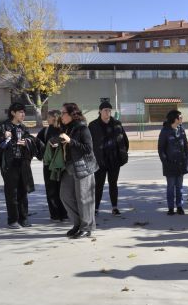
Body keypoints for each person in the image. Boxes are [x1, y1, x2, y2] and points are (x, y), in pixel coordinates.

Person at [0, 103, 38, 229]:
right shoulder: (2, 126)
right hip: (9, 164)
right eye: (20, 112)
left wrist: (27, 142)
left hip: (23, 163)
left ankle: (24, 219)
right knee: (12, 193)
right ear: (13, 113)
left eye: (24, 112)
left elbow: (32, 142)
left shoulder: (24, 128)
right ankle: (13, 220)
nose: (23, 114)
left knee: (23, 192)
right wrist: (3, 136)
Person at [59, 102, 98, 239]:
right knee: (65, 195)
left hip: (83, 168)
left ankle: (86, 227)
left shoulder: (82, 128)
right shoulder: (67, 128)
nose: (61, 115)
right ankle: (78, 223)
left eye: (63, 112)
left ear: (72, 114)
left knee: (84, 198)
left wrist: (71, 141)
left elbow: (88, 149)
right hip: (69, 167)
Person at [89, 101, 129, 216]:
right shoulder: (93, 125)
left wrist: (123, 153)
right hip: (99, 161)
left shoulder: (117, 124)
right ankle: (95, 208)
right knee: (98, 185)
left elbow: (124, 141)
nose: (108, 112)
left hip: (114, 160)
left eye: (109, 110)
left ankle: (115, 207)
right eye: (105, 110)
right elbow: (89, 143)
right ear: (100, 111)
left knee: (113, 184)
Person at [36, 110, 68, 222]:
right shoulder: (45, 130)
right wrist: (47, 146)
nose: (46, 119)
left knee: (62, 190)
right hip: (49, 164)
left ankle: (64, 214)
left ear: (54, 118)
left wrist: (59, 143)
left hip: (62, 164)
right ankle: (55, 214)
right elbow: (37, 143)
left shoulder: (64, 129)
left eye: (48, 117)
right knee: (51, 190)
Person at [158, 110, 188, 215]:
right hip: (170, 164)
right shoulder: (165, 131)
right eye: (180, 117)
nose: (182, 119)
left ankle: (179, 206)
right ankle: (171, 207)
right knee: (171, 187)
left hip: (180, 163)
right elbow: (161, 149)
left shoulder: (181, 130)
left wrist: (187, 159)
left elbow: (186, 146)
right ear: (175, 119)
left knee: (179, 187)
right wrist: (165, 162)